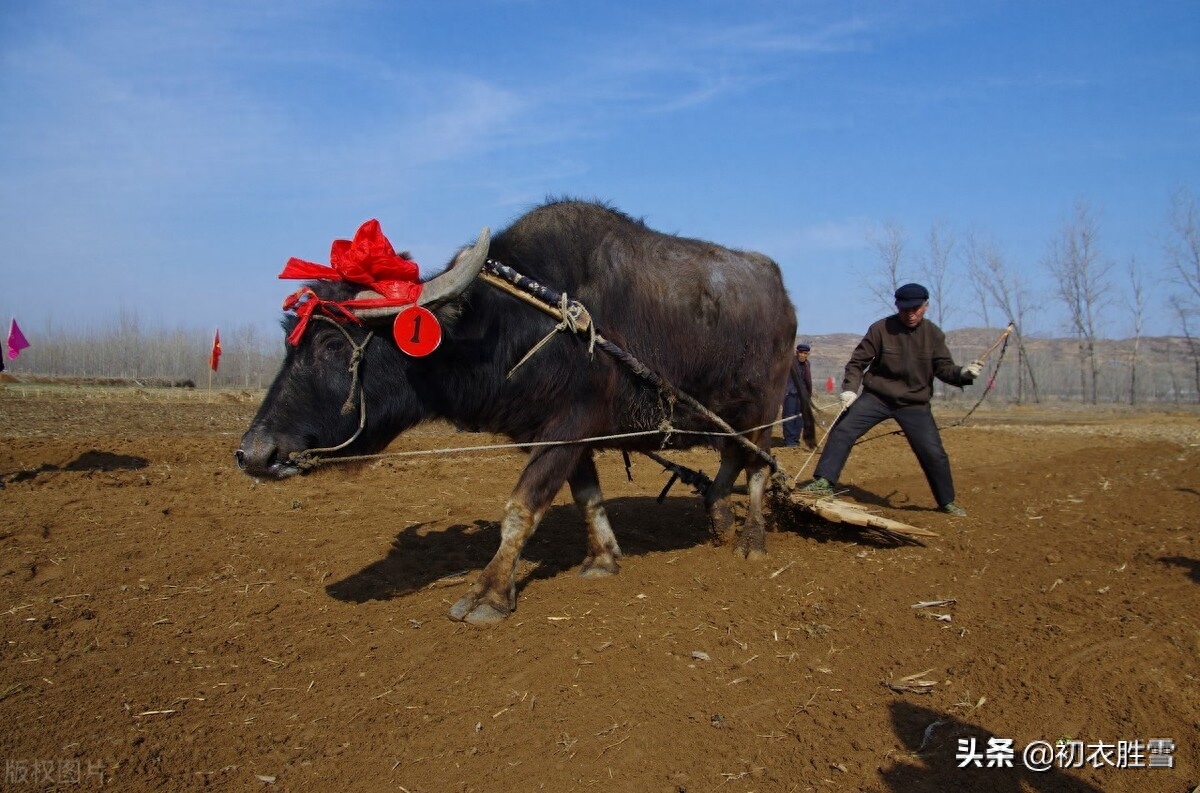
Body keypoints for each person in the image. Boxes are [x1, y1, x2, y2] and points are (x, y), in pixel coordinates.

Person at [798, 283, 983, 516]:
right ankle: (824, 481)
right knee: (843, 429)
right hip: (877, 397)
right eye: (905, 309)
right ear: (897, 306)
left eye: (916, 308)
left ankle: (946, 501)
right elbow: (857, 362)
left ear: (926, 306)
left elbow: (944, 369)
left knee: (933, 452)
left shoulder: (933, 335)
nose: (911, 313)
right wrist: (850, 389)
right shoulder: (880, 329)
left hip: (914, 404)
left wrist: (962, 374)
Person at [782, 343, 815, 448]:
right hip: (790, 393)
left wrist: (808, 394)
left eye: (805, 353)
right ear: (797, 353)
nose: (802, 355)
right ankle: (790, 441)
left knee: (800, 418)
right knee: (789, 416)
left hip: (803, 395)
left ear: (808, 354)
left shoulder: (807, 364)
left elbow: (807, 380)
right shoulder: (790, 363)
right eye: (801, 352)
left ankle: (795, 439)